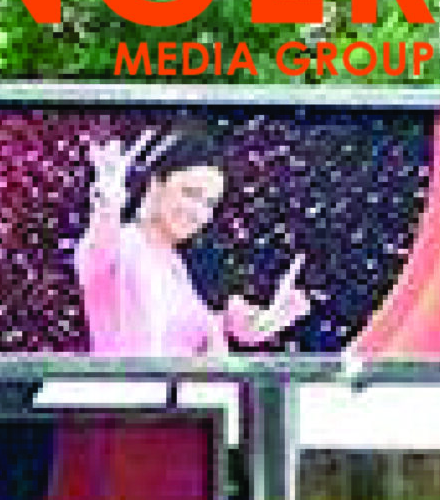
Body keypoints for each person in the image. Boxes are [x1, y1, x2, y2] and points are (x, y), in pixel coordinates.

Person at [74, 126, 315, 361]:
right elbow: (96, 252)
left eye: (209, 204)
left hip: (194, 399)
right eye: (190, 193)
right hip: (127, 398)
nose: (197, 212)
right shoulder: (123, 245)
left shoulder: (191, 266)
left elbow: (243, 328)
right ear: (156, 186)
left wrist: (274, 318)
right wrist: (107, 202)